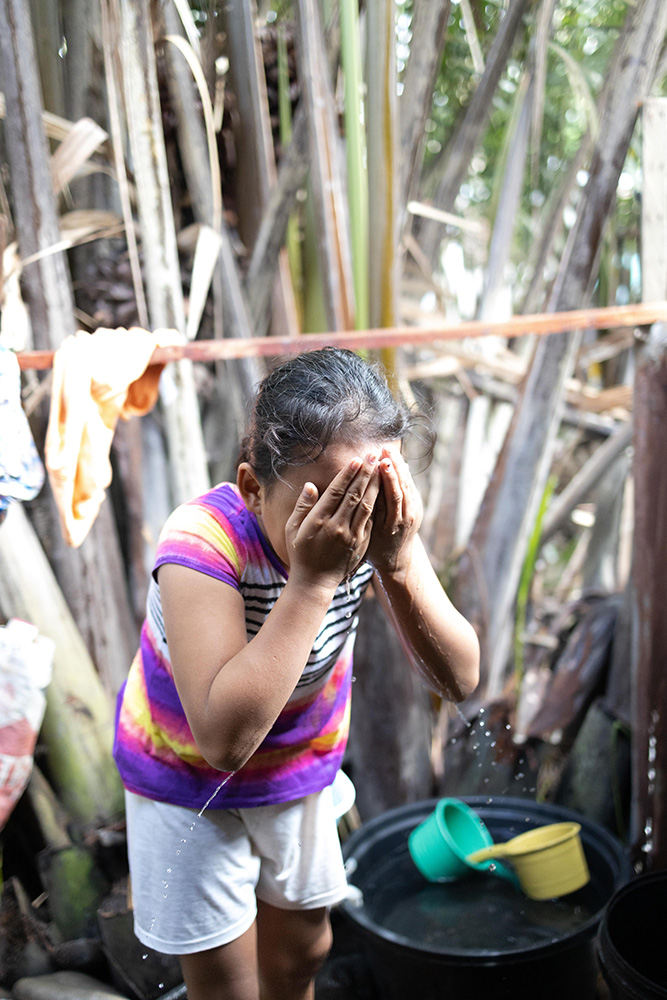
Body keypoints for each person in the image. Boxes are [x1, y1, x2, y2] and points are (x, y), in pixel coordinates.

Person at [113, 347, 480, 1000]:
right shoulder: (201, 545)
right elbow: (222, 742)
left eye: (366, 499)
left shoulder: (377, 530)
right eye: (328, 503)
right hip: (186, 778)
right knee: (227, 982)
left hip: (295, 760)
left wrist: (396, 563)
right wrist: (310, 581)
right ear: (254, 487)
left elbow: (460, 678)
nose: (349, 526)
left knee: (302, 952)